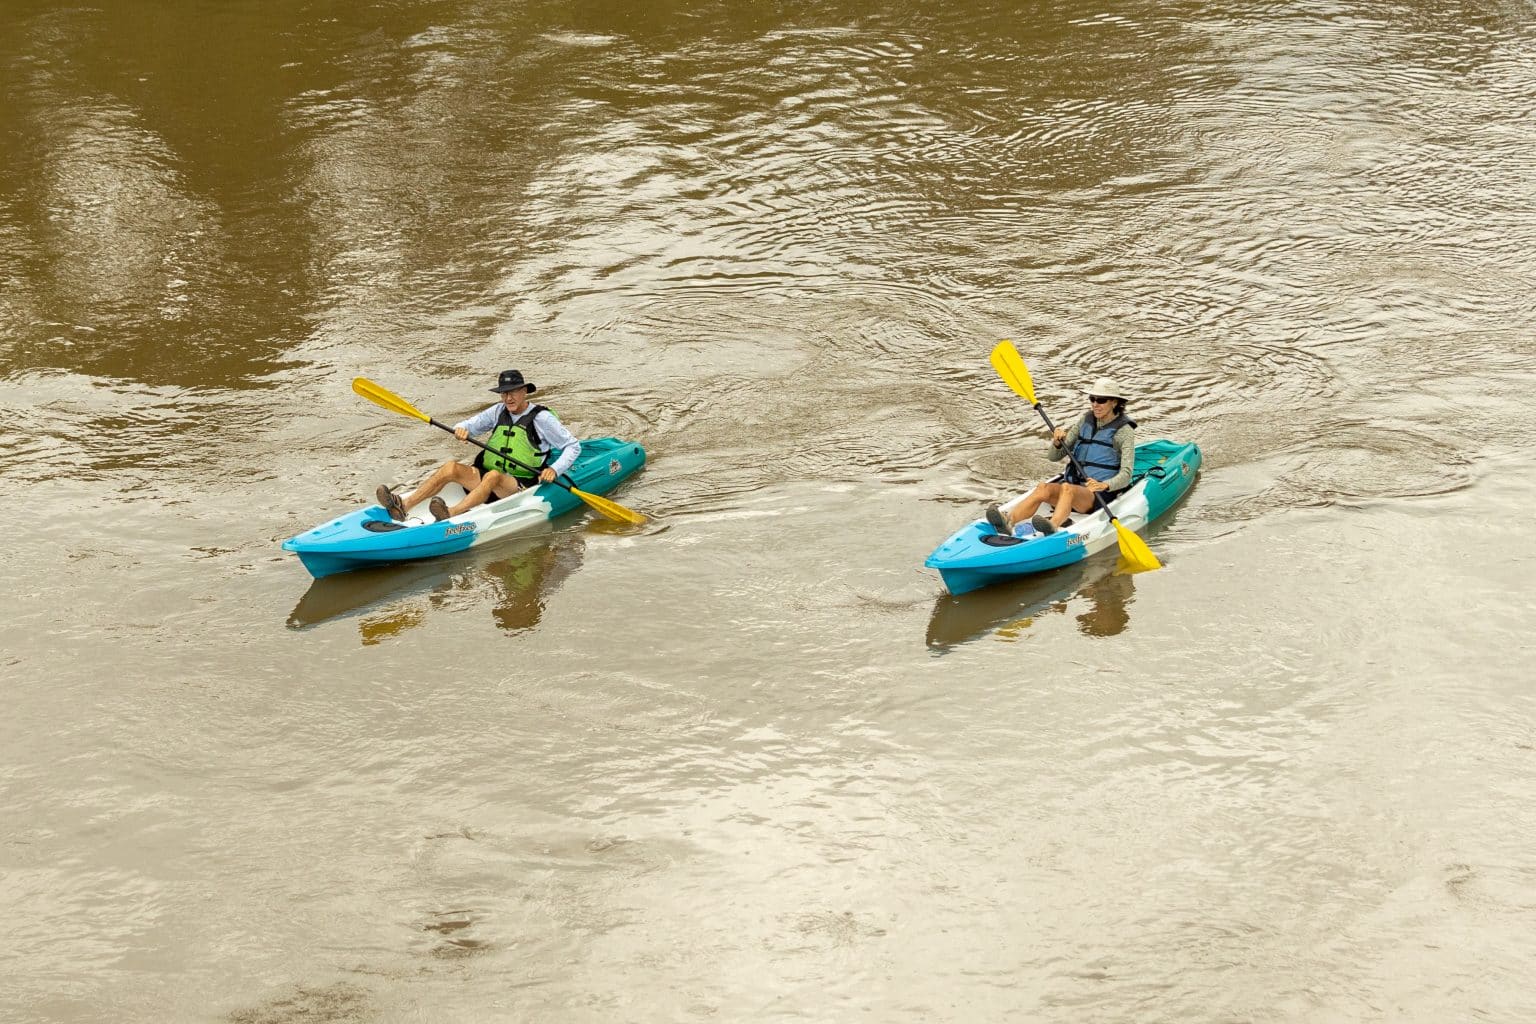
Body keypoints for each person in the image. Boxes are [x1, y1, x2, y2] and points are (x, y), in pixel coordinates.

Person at [376, 369, 583, 522]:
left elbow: (573, 446)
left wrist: (554, 470)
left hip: (518, 485)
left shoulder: (542, 419)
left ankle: (452, 513)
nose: (508, 398)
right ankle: (403, 505)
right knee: (451, 467)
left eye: (512, 392)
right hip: (488, 479)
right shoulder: (498, 411)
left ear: (524, 392)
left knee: (492, 476)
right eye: (504, 393)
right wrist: (461, 429)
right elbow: (470, 425)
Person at [985, 378, 1136, 536]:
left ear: (1114, 403)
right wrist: (1057, 442)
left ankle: (1053, 526)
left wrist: (1104, 485)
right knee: (1043, 488)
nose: (1095, 404)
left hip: (1098, 496)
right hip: (1072, 489)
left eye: (1101, 400)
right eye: (1092, 399)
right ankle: (1008, 521)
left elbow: (1127, 474)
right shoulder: (1085, 421)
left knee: (1066, 488)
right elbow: (1053, 457)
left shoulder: (1124, 431)